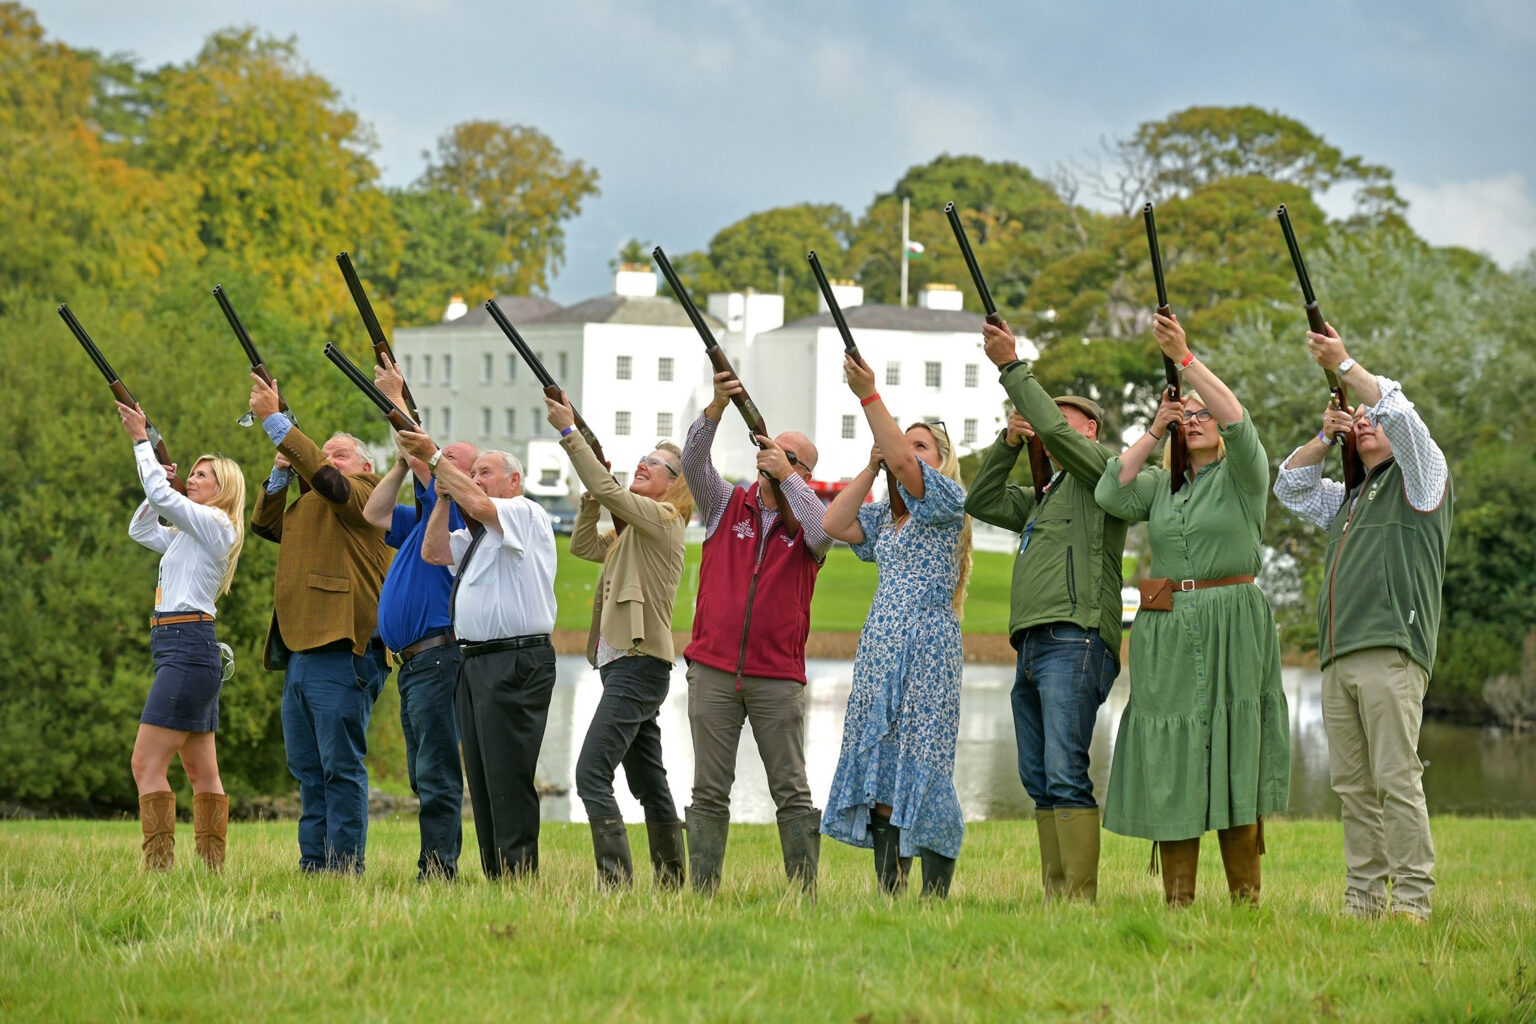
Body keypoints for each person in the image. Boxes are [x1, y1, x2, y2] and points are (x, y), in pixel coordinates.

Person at [1092, 313, 1289, 907]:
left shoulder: (1243, 473)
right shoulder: (1160, 483)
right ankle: (1178, 901)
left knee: (1234, 747)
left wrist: (1186, 361)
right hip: (1169, 628)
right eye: (1189, 413)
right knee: (1175, 753)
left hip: (1234, 622)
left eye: (1204, 415)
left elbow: (1238, 415)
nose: (1199, 420)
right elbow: (1109, 490)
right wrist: (1155, 429)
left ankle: (1245, 900)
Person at [1273, 325, 1451, 924]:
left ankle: (1411, 902)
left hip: (1391, 651)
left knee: (1395, 780)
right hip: (1339, 654)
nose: (1367, 419)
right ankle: (1363, 901)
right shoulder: (1351, 497)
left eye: (1369, 417)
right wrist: (1327, 435)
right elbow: (1289, 487)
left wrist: (1345, 364)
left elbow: (1400, 412)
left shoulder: (1421, 479)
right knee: (1352, 788)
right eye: (1359, 417)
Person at [964, 320, 1128, 904]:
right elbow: (979, 500)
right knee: (1038, 777)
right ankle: (1056, 894)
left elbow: (1058, 433)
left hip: (1076, 640)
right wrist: (1009, 444)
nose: (1044, 424)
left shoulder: (1102, 476)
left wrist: (1013, 368)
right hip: (1033, 644)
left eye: (1058, 419)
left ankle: (1079, 898)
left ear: (1086, 431)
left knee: (1064, 769)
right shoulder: (1045, 495)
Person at [820, 357, 972, 898]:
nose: (906, 454)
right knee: (882, 765)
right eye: (903, 445)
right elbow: (832, 523)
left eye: (920, 446)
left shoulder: (947, 504)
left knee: (925, 762)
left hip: (926, 650)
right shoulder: (888, 517)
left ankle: (934, 895)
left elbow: (909, 469)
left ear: (940, 462)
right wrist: (870, 467)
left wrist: (869, 398)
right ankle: (890, 892)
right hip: (880, 653)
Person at [679, 371, 832, 895]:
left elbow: (822, 530)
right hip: (714, 669)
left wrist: (787, 476)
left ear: (804, 472)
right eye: (769, 448)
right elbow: (693, 463)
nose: (771, 456)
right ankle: (701, 892)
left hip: (777, 676)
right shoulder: (725, 505)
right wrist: (717, 407)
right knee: (708, 790)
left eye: (789, 456)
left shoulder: (811, 520)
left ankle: (803, 891)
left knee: (790, 789)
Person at [547, 394, 694, 890]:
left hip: (637, 664)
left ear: (677, 486)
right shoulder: (634, 533)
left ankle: (615, 882)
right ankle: (672, 880)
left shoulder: (663, 520)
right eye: (645, 458)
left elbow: (608, 488)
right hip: (625, 666)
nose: (644, 463)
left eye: (657, 463)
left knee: (591, 773)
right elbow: (584, 545)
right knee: (649, 781)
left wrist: (571, 435)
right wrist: (592, 504)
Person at [399, 430, 560, 880]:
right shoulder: (478, 537)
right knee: (485, 776)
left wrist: (436, 461)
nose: (477, 479)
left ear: (514, 481)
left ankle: (518, 875)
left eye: (485, 472)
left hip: (516, 660)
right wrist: (444, 498)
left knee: (509, 772)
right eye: (473, 473)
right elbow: (433, 551)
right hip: (475, 662)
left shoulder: (524, 513)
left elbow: (482, 506)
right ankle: (497, 874)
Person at [249, 374, 392, 874]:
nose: (330, 460)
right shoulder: (313, 501)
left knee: (340, 768)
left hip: (343, 647)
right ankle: (314, 864)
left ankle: (345, 865)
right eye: (324, 452)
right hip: (303, 649)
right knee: (309, 770)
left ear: (366, 467)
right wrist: (282, 472)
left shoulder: (369, 495)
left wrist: (276, 422)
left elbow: (331, 482)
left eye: (342, 454)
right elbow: (265, 525)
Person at [362, 358, 479, 880]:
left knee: (435, 773)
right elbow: (374, 515)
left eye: (452, 460)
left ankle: (439, 870)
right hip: (412, 664)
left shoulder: (458, 512)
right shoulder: (426, 516)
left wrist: (398, 405)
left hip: (436, 655)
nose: (440, 463)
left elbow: (428, 459)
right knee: (421, 770)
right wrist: (399, 465)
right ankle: (437, 863)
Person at [118, 402, 244, 872]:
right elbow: (141, 527)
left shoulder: (215, 525)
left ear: (223, 490)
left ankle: (158, 872)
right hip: (185, 647)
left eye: (202, 476)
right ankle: (210, 871)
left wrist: (140, 443)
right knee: (200, 770)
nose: (192, 479)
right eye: (190, 473)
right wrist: (160, 486)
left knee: (144, 764)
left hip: (186, 646)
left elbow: (167, 501)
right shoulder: (193, 533)